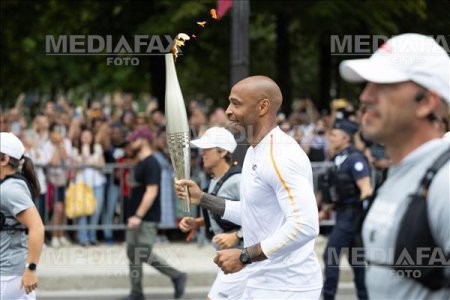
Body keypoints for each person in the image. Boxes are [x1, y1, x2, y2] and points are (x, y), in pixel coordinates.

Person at [176, 76, 323, 299]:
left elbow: (305, 226)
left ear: (263, 106)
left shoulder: (281, 155)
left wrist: (244, 256)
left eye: (236, 103)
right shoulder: (255, 150)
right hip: (261, 280)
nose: (227, 111)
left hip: (287, 286)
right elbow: (252, 211)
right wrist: (202, 198)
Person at [339, 33, 450, 299]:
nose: (366, 96)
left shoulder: (445, 182)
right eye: (367, 85)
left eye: (383, 85)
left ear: (426, 102)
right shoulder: (402, 173)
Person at [178, 127, 249, 300]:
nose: (202, 153)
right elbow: (226, 213)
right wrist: (198, 222)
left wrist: (237, 235)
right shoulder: (214, 180)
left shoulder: (238, 180)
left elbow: (260, 216)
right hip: (227, 258)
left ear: (222, 152)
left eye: (207, 149)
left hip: (241, 258)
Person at [123, 127, 187, 300]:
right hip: (135, 217)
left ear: (143, 140)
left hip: (146, 217)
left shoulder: (152, 163)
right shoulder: (140, 162)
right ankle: (136, 293)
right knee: (132, 252)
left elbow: (151, 192)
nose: (131, 143)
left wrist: (138, 216)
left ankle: (177, 275)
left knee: (142, 251)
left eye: (134, 140)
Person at [319, 119, 372, 300]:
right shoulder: (339, 158)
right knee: (356, 262)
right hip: (343, 213)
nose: (330, 138)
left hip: (351, 215)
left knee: (331, 255)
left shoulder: (355, 158)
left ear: (345, 138)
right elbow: (337, 191)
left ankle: (328, 296)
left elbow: (366, 188)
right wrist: (323, 211)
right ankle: (365, 297)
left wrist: (361, 214)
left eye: (334, 135)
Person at [0, 132, 45, 299]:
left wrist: (31, 269)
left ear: (4, 160)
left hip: (7, 275)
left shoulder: (10, 190)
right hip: (11, 272)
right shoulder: (7, 185)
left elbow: (37, 227)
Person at [72, 128, 106, 246]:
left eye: (88, 135)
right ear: (80, 138)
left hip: (97, 183)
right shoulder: (75, 151)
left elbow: (102, 165)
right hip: (82, 184)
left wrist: (94, 163)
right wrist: (83, 159)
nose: (86, 138)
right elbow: (75, 168)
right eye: (84, 136)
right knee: (83, 211)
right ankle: (83, 238)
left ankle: (92, 236)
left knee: (96, 210)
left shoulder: (97, 149)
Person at [44, 123, 73, 247]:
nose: (58, 134)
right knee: (58, 209)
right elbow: (53, 162)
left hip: (64, 179)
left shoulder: (66, 142)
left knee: (63, 209)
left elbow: (66, 158)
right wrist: (56, 146)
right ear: (50, 133)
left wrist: (60, 144)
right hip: (52, 180)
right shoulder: (46, 145)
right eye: (56, 132)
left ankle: (61, 235)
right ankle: (55, 236)